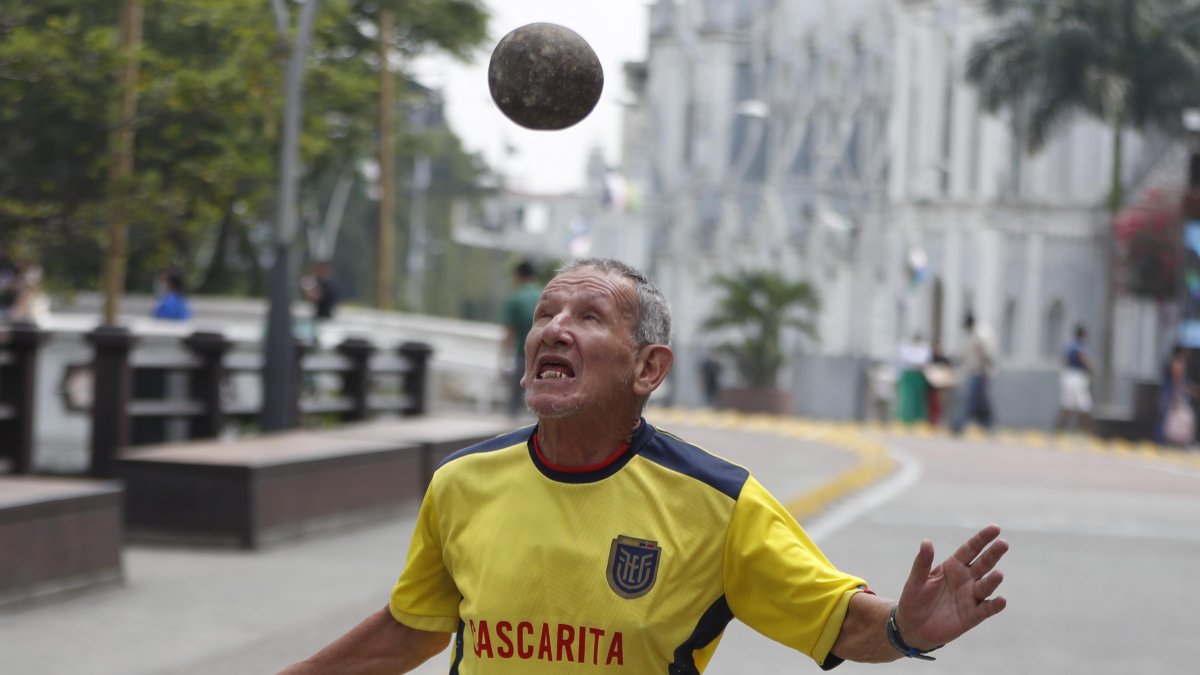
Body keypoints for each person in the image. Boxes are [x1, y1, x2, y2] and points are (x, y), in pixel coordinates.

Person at [278, 258, 1009, 674]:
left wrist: (904, 628)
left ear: (648, 367)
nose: (554, 329)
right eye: (545, 314)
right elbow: (415, 625)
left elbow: (834, 618)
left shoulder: (719, 503)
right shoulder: (460, 484)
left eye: (589, 317)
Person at [499, 259, 542, 418]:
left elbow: (509, 333)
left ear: (518, 276)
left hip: (521, 356)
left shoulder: (516, 299)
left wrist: (503, 361)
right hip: (545, 356)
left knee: (514, 406)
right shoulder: (545, 294)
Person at [951, 313, 994, 435]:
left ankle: (960, 425)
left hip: (980, 372)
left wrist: (985, 370)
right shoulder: (972, 335)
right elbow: (966, 353)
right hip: (974, 372)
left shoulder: (981, 334)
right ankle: (986, 425)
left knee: (970, 400)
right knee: (980, 401)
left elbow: (986, 353)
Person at [1053, 324, 1094, 434]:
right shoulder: (1079, 346)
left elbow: (1063, 361)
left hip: (1068, 376)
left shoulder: (1069, 345)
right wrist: (1092, 369)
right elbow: (1083, 358)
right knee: (1084, 406)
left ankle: (1058, 431)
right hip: (1076, 377)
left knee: (1069, 405)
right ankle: (1089, 432)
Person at [1156, 344, 1197, 447]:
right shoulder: (1178, 363)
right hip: (1173, 396)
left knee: (1166, 419)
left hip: (1170, 395)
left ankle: (1163, 442)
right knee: (1169, 420)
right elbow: (1177, 383)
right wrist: (1176, 398)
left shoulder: (1174, 362)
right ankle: (1163, 442)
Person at [894, 333, 930, 424]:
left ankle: (918, 419)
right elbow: (904, 358)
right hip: (908, 373)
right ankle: (905, 419)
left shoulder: (923, 347)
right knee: (907, 397)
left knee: (918, 398)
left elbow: (923, 360)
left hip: (919, 374)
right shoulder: (905, 346)